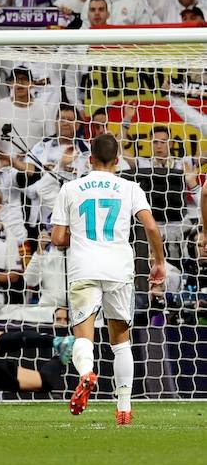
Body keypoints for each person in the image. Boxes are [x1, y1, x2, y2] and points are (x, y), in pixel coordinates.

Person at [51, 133, 166, 426]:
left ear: (89, 159)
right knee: (121, 342)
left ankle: (87, 372)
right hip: (119, 270)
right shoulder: (130, 188)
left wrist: (74, 235)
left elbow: (58, 239)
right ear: (118, 161)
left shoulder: (71, 188)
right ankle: (124, 408)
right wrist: (159, 262)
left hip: (84, 268)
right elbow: (151, 227)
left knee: (83, 337)